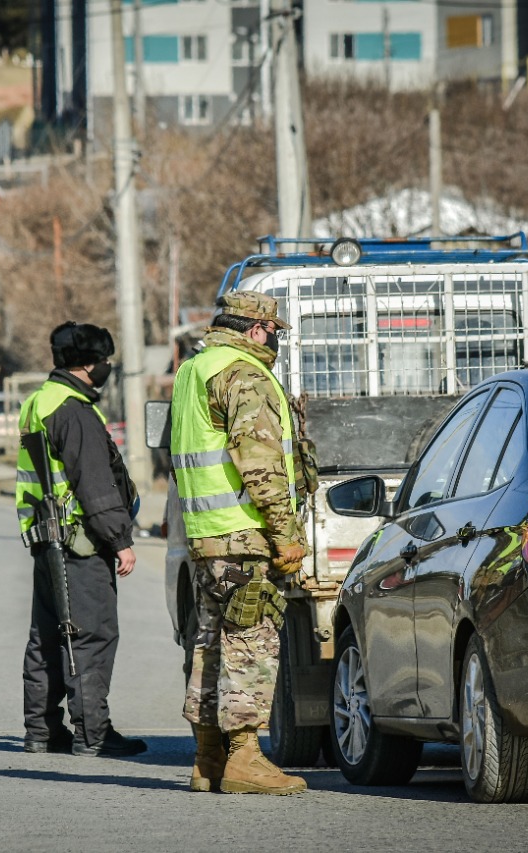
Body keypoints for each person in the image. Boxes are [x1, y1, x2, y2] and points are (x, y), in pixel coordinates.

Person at [169, 291, 312, 795]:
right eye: (274, 332)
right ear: (257, 329)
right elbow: (261, 464)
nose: (275, 342)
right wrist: (286, 533)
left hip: (206, 537)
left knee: (210, 643)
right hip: (243, 534)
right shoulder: (244, 374)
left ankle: (208, 758)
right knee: (252, 641)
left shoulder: (194, 370)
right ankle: (245, 759)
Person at [15, 321, 146, 758]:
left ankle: (43, 732)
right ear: (89, 364)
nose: (108, 368)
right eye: (105, 361)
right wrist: (120, 539)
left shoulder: (39, 401)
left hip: (46, 540)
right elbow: (94, 483)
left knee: (48, 637)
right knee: (91, 636)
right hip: (80, 543)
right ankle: (93, 735)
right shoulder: (73, 410)